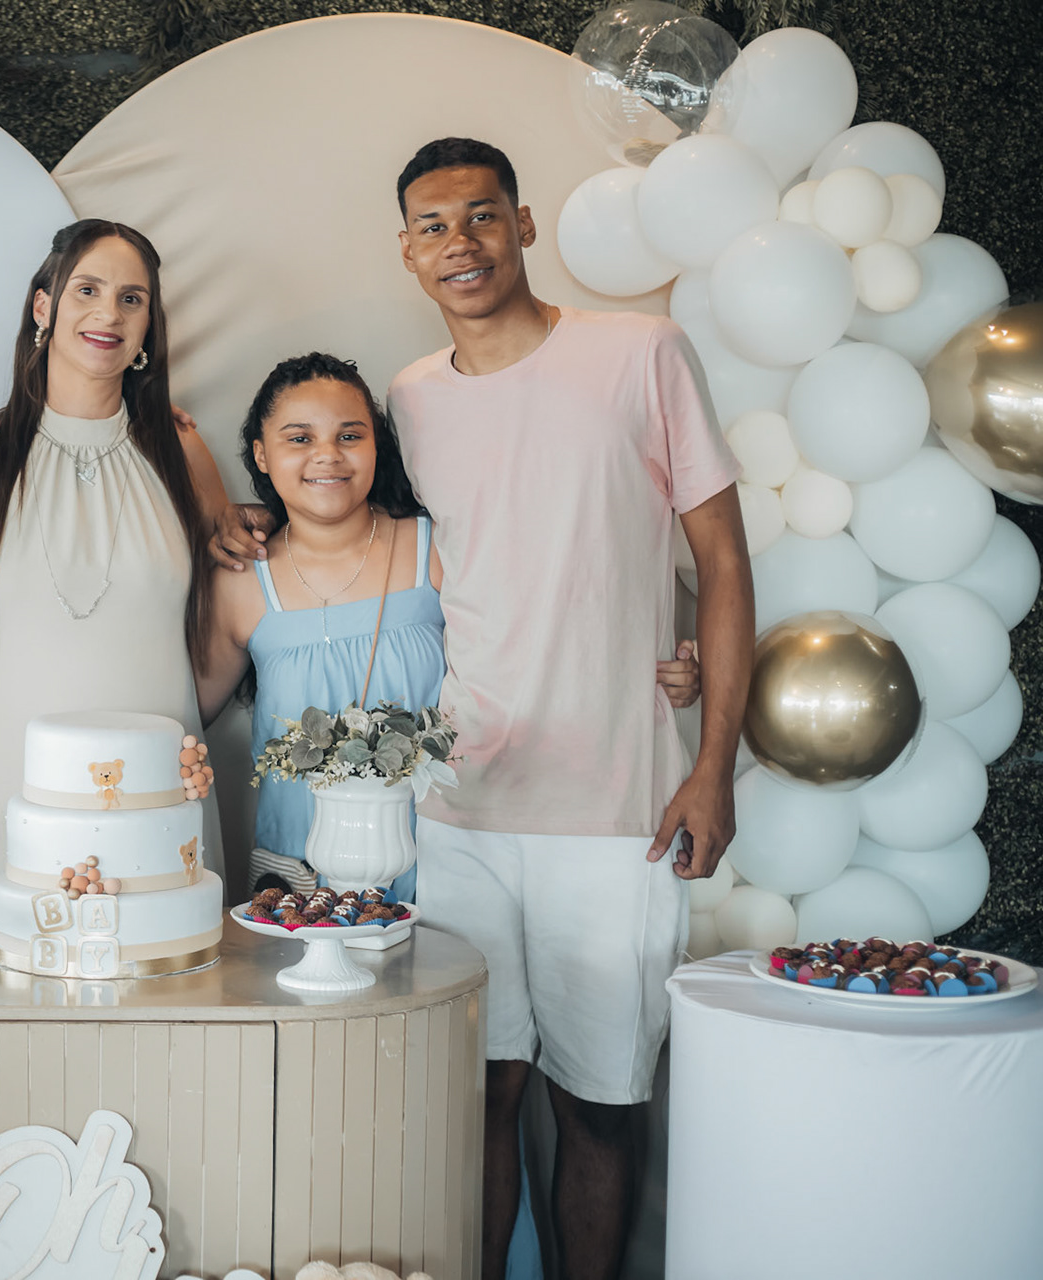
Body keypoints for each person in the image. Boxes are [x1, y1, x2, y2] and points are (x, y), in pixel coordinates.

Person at [387, 138, 751, 1280]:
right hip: (462, 808)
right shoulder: (408, 397)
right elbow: (358, 531)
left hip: (616, 810)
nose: (461, 242)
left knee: (598, 1103)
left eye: (482, 215)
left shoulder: (641, 351)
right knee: (475, 1098)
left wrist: (713, 764)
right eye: (434, 225)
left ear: (525, 225)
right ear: (408, 251)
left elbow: (724, 561)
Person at [197, 352, 702, 903]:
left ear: (376, 446)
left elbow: (545, 639)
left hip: (443, 859)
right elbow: (188, 710)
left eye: (350, 436)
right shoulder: (239, 582)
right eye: (300, 438)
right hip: (297, 874)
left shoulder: (436, 547)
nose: (327, 455)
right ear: (261, 454)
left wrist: (652, 668)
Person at [0, 219, 234, 895]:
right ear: (44, 306)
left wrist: (264, 523)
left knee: (160, 953)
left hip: (156, 790)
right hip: (0, 784)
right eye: (87, 290)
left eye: (132, 298)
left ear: (149, 324)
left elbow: (234, 592)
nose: (109, 313)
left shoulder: (182, 453)